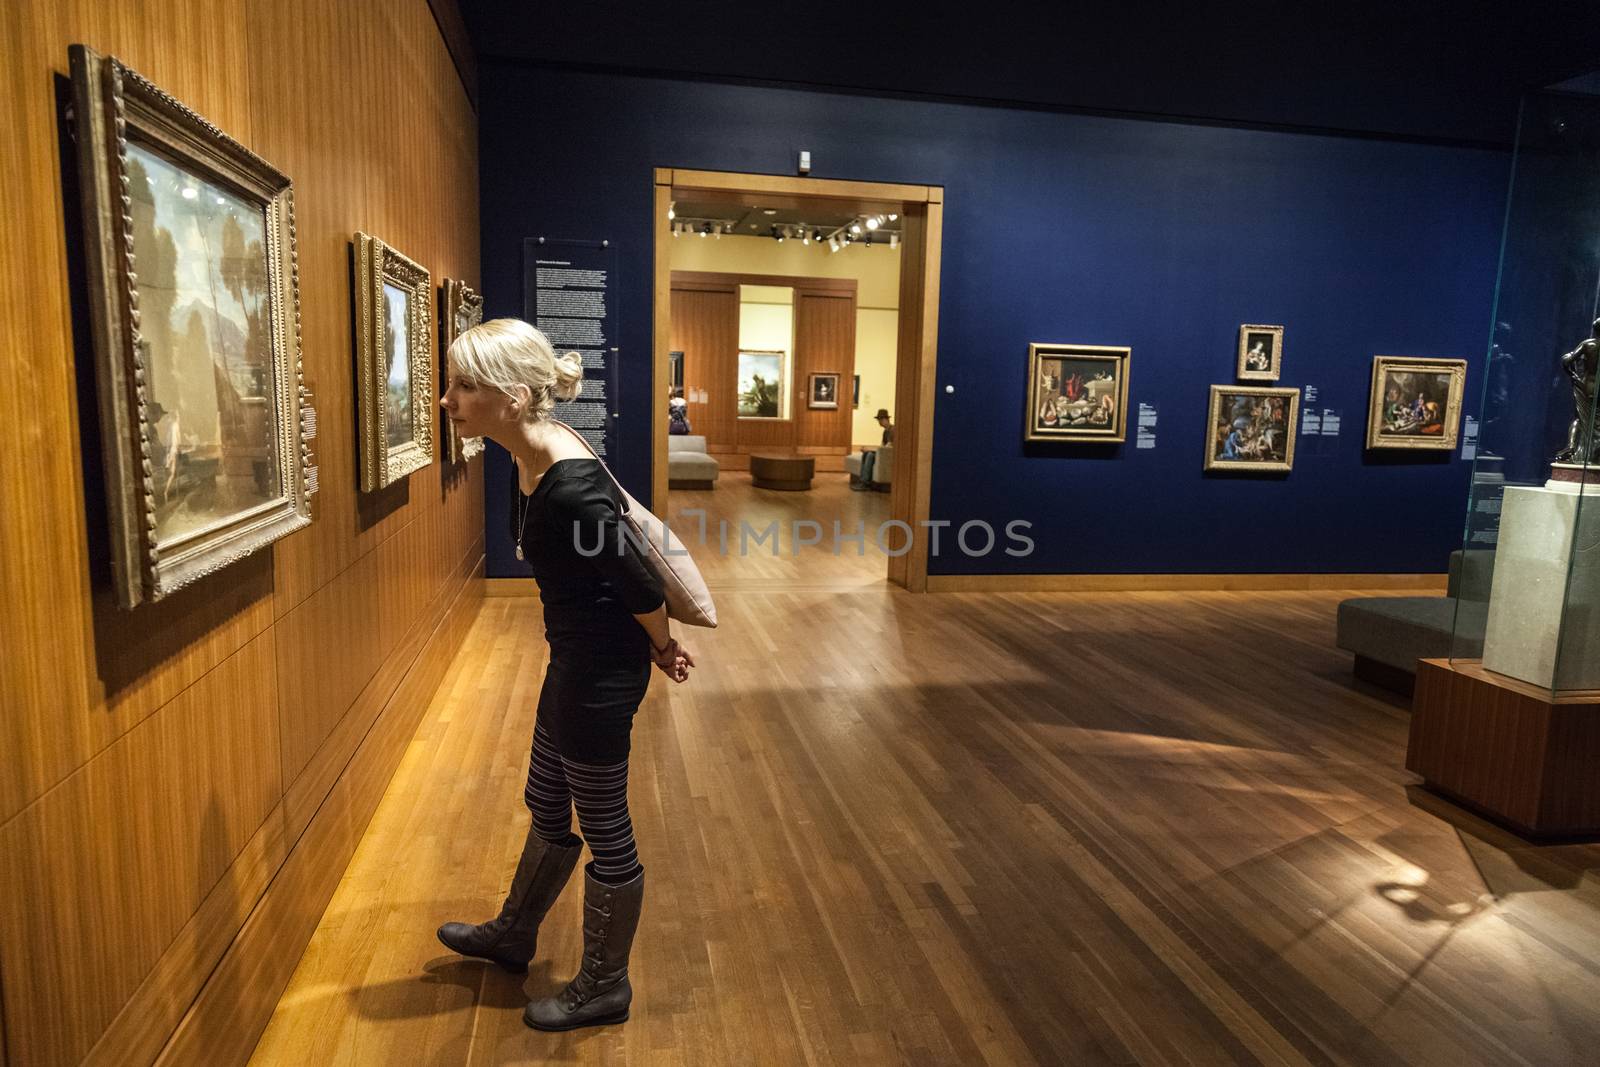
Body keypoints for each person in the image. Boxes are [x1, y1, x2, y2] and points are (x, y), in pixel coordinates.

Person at [436, 318, 694, 1032]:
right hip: (572, 659)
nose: (447, 400)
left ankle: (605, 986)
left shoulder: (568, 482)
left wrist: (663, 645)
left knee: (606, 825)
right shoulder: (532, 456)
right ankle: (516, 934)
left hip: (598, 676)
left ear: (513, 397)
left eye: (463, 386)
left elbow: (638, 580)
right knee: (544, 798)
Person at [852, 408, 894, 490]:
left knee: (870, 455)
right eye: (879, 420)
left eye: (881, 419)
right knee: (866, 454)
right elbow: (882, 446)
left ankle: (865, 483)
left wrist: (870, 450)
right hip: (884, 453)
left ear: (886, 419)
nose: (879, 422)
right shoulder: (885, 432)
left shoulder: (892, 430)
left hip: (888, 455)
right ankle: (863, 481)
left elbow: (887, 448)